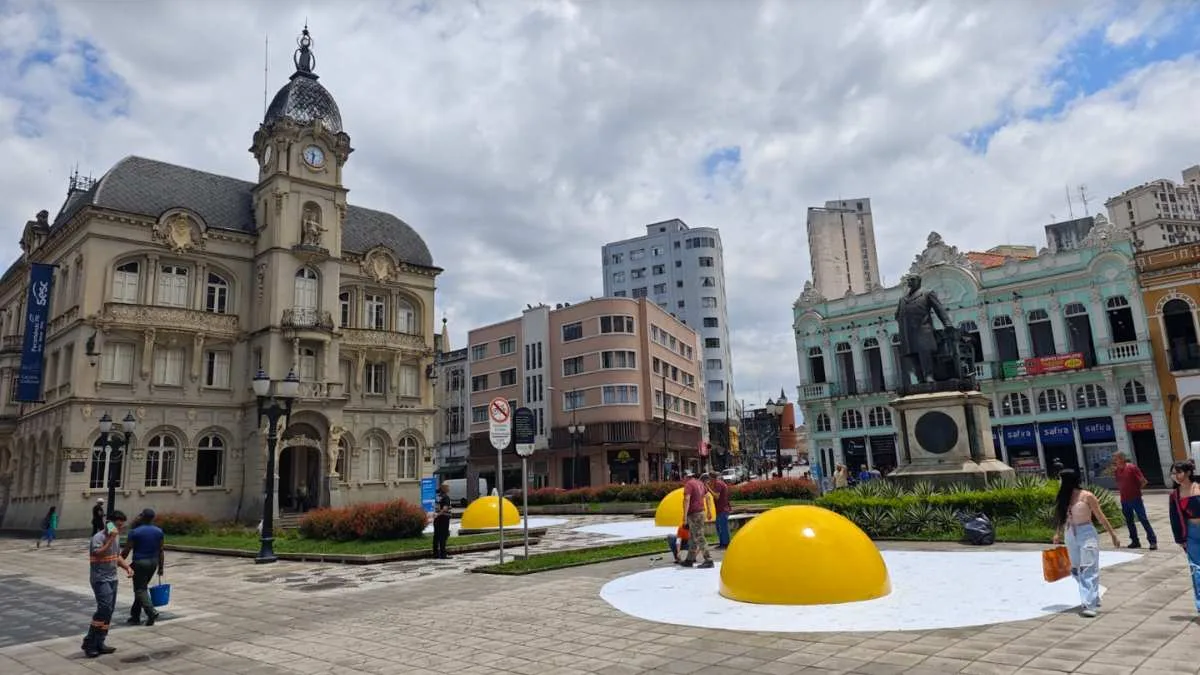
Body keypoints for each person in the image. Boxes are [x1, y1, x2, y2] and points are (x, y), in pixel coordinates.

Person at [1052, 470, 1120, 617]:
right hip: (1070, 534)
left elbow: (1100, 516)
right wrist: (1058, 533)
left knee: (1088, 568)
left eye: (1060, 479)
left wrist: (1113, 534)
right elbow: (1061, 517)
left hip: (1087, 533)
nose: (1058, 482)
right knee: (1076, 569)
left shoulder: (1087, 496)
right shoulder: (1064, 497)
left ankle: (1089, 604)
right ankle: (1093, 596)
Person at [82, 510, 133, 658]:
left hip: (112, 578)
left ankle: (100, 641)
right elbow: (98, 553)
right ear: (109, 523)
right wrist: (110, 539)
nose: (119, 528)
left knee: (109, 611)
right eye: (117, 525)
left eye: (122, 526)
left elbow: (116, 557)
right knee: (104, 608)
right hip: (100, 579)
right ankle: (89, 642)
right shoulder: (98, 538)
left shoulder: (115, 538)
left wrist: (127, 567)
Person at [1167, 459, 1200, 615]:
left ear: (1187, 473)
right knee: (1196, 569)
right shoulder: (1174, 495)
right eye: (1173, 473)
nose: (1175, 476)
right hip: (1191, 533)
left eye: (1178, 472)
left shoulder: (1198, 486)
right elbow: (1174, 518)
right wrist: (1180, 539)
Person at [123, 509, 164, 626]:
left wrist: (119, 560)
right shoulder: (158, 531)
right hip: (153, 563)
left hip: (140, 563)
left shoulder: (135, 532)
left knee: (140, 590)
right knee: (141, 589)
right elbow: (161, 550)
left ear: (142, 516)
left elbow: (127, 550)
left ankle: (151, 612)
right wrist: (161, 568)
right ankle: (135, 616)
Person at [1113, 452, 1157, 550]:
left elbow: (1144, 481)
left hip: (1135, 499)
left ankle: (1152, 541)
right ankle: (1135, 541)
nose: (1115, 460)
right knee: (1129, 521)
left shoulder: (1132, 468)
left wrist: (1137, 490)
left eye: (1116, 458)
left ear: (1122, 458)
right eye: (1115, 459)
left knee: (1143, 519)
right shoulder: (1116, 471)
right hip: (1124, 500)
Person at [679, 474, 713, 568]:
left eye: (684, 478)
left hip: (694, 514)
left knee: (699, 536)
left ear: (687, 477)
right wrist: (709, 511)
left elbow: (686, 499)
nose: (683, 480)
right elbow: (708, 497)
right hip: (701, 512)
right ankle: (689, 559)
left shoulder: (689, 484)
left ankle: (708, 559)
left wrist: (685, 517)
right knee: (693, 537)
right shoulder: (701, 484)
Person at [704, 472, 732, 548]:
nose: (708, 480)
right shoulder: (717, 484)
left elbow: (717, 496)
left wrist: (709, 488)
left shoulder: (718, 484)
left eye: (709, 478)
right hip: (720, 509)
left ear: (712, 478)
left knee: (723, 527)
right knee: (719, 527)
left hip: (723, 509)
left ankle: (726, 544)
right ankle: (722, 543)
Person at [432, 482, 453, 559]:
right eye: (448, 487)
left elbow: (436, 506)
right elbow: (445, 509)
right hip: (443, 519)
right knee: (443, 536)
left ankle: (435, 554)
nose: (449, 488)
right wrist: (439, 514)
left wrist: (436, 514)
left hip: (437, 519)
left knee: (436, 536)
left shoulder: (438, 496)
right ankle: (443, 554)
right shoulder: (446, 497)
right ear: (444, 488)